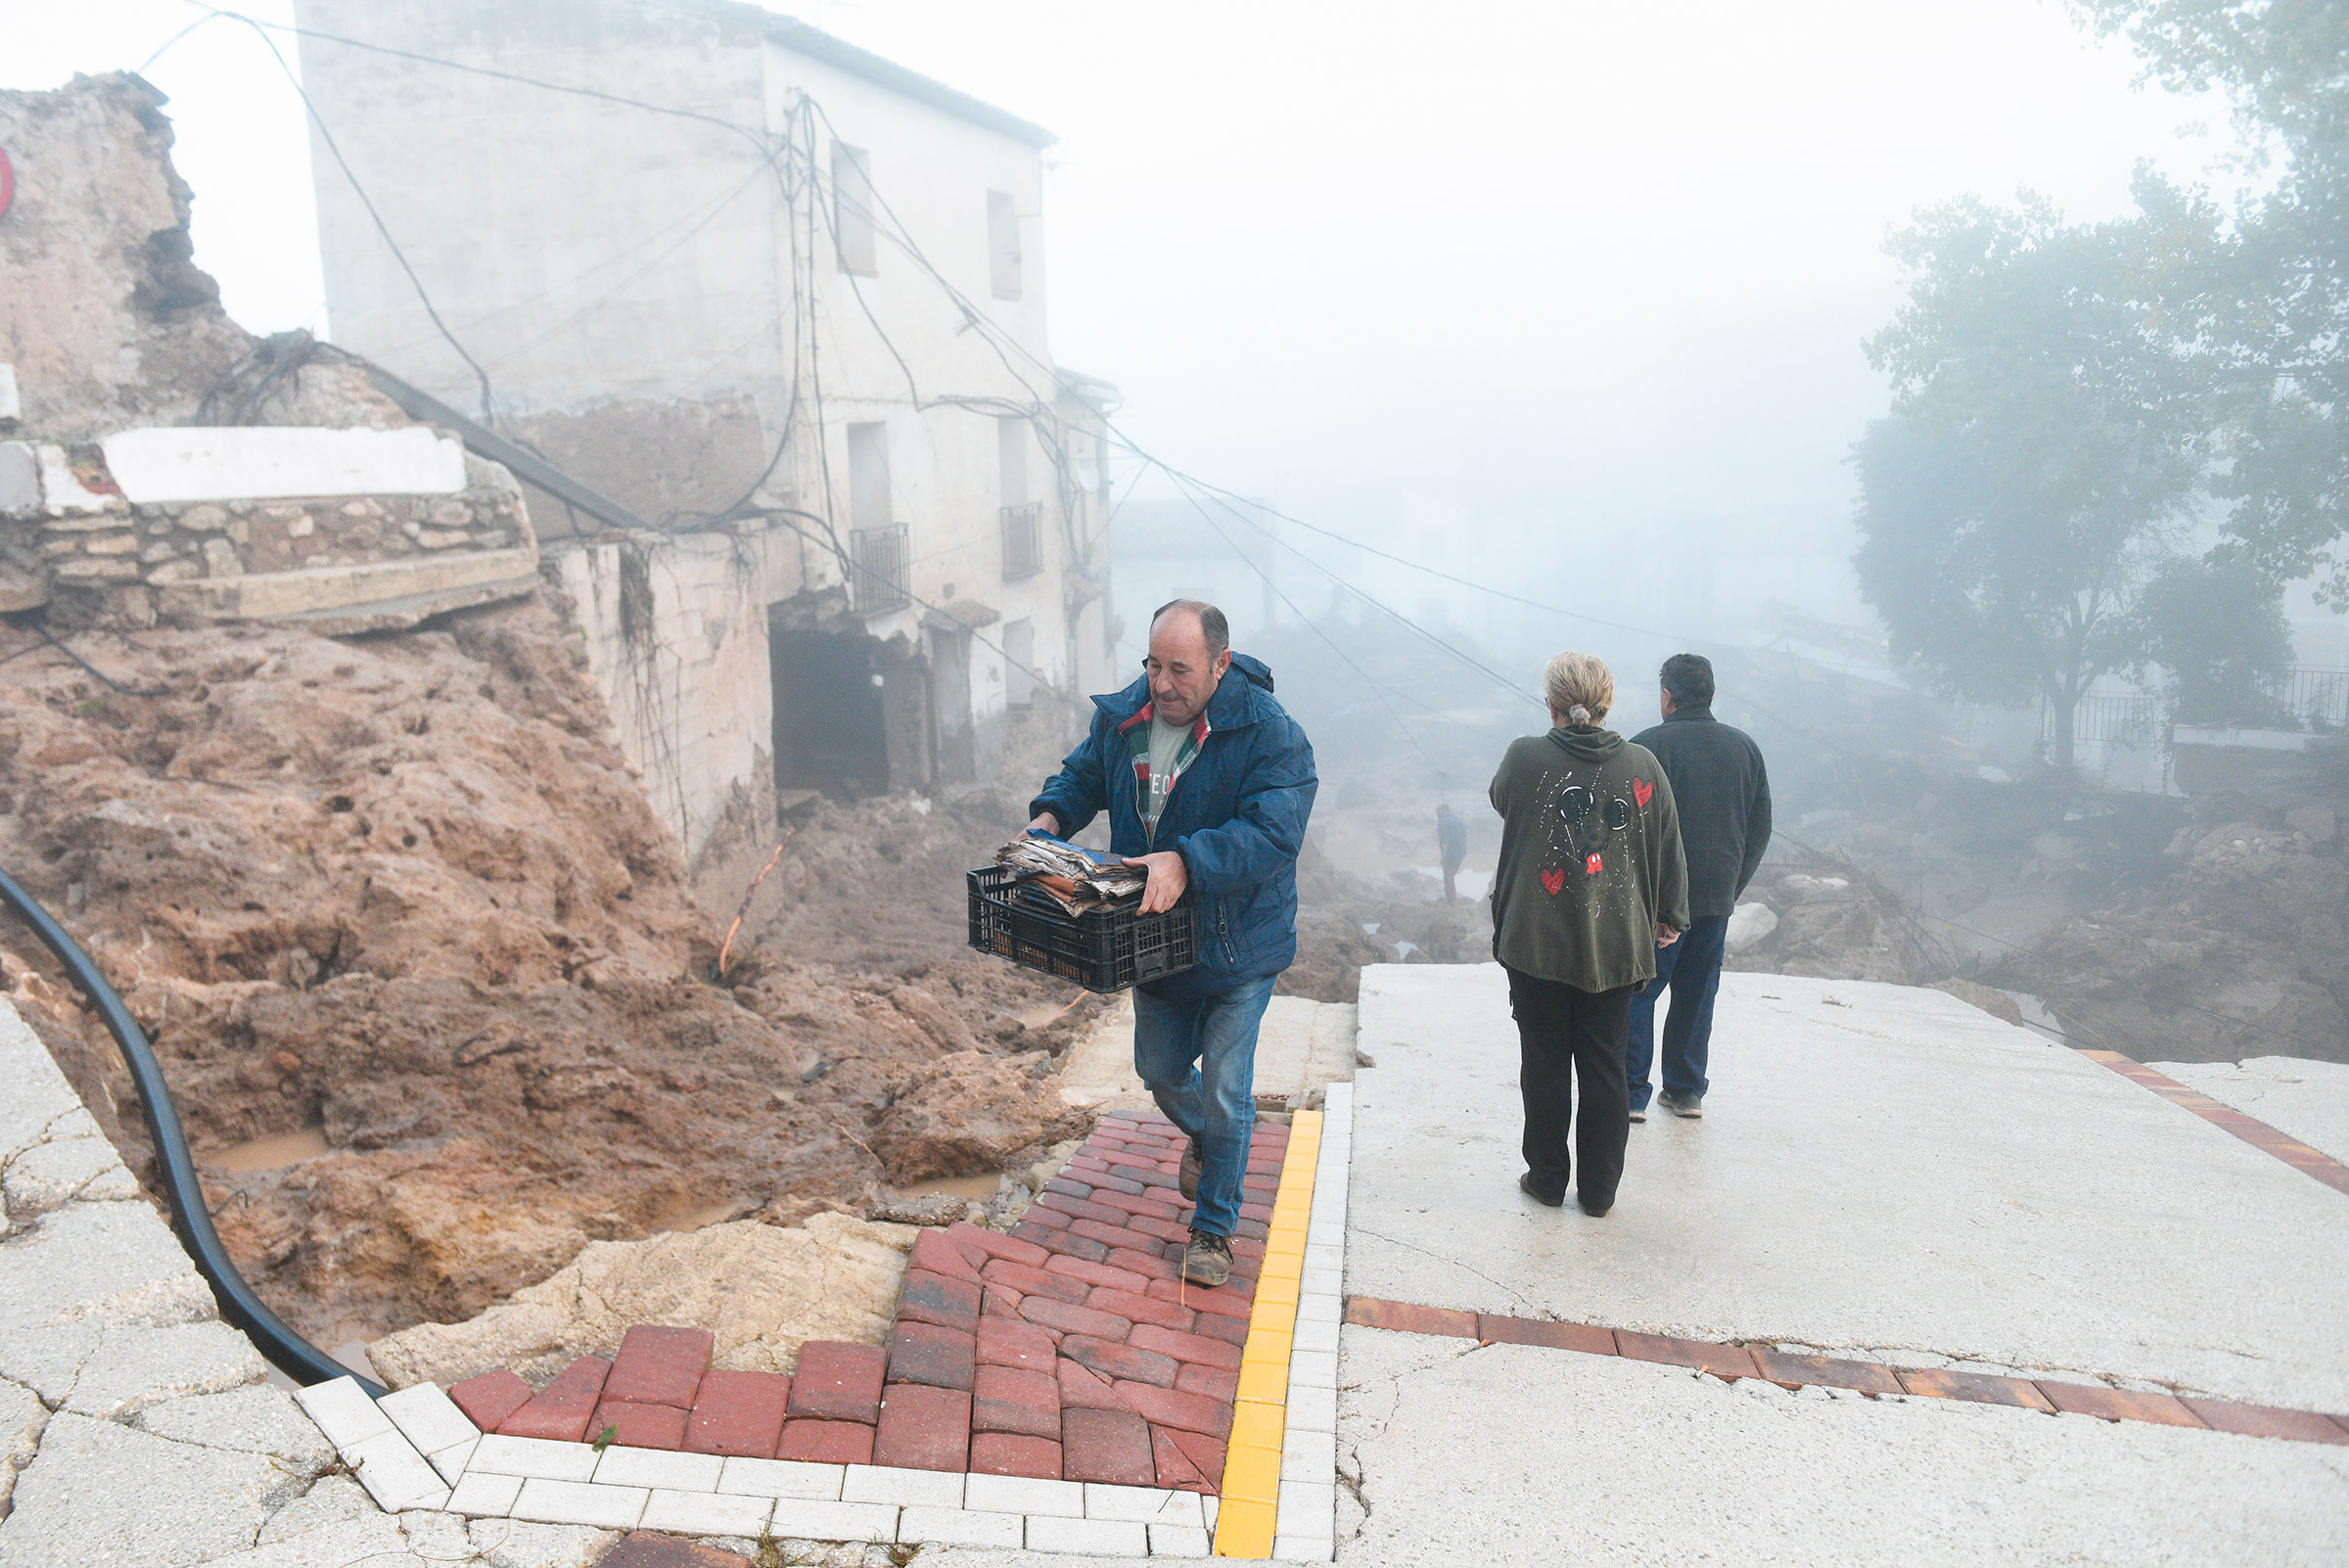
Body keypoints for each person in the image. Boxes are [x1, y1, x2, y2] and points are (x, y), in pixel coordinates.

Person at [1027, 599, 1317, 1285]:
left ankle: (1215, 1230)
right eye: (1152, 665)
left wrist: (1186, 859)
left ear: (1220, 664)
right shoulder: (1123, 715)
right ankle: (1212, 1144)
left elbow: (1275, 834)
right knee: (1158, 1070)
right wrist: (1048, 817)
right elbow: (1082, 778)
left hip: (1239, 942)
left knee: (1226, 1090)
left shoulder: (1272, 734)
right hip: (1151, 936)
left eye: (1179, 669)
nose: (1161, 684)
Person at [1488, 652, 1688, 1217]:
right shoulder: (1643, 764)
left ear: (1551, 703)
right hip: (1618, 944)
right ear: (1608, 704)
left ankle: (1548, 1179)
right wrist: (1671, 914)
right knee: (1606, 1066)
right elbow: (1669, 843)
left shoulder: (1526, 757)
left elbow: (1502, 800)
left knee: (1545, 1062)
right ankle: (1599, 1194)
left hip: (1536, 943)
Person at [1626, 653, 1772, 1121]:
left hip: (1655, 904)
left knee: (1639, 991)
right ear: (1710, 694)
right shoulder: (1744, 748)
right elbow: (1759, 828)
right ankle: (1686, 1091)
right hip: (1715, 899)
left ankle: (1631, 1094)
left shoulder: (1646, 749)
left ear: (1667, 697)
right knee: (1697, 992)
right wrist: (1732, 885)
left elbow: (1623, 828)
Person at [1437, 802, 1467, 901]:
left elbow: (1446, 841)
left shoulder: (1442, 822)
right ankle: (1450, 897)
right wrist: (1464, 850)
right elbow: (1464, 837)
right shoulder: (1457, 820)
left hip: (1450, 855)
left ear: (1444, 811)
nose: (1436, 813)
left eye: (1438, 811)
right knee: (1450, 876)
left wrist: (1443, 857)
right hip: (1459, 854)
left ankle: (1451, 900)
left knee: (1448, 877)